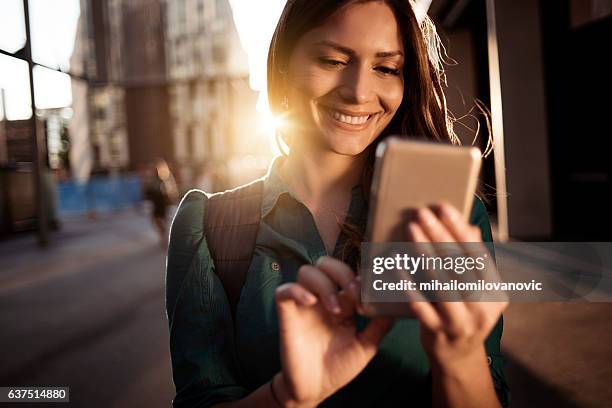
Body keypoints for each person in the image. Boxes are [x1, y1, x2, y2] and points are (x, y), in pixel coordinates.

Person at [166, 1, 510, 407]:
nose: (360, 91)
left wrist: (461, 357)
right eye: (332, 60)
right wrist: (287, 396)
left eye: (386, 68)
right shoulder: (208, 227)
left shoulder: (449, 218)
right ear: (282, 65)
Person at [145, 159, 178, 245]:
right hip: (156, 202)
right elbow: (149, 189)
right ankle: (163, 233)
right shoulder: (153, 178)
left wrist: (171, 197)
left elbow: (172, 189)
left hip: (163, 202)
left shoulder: (166, 177)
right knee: (156, 220)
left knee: (163, 219)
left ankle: (163, 236)